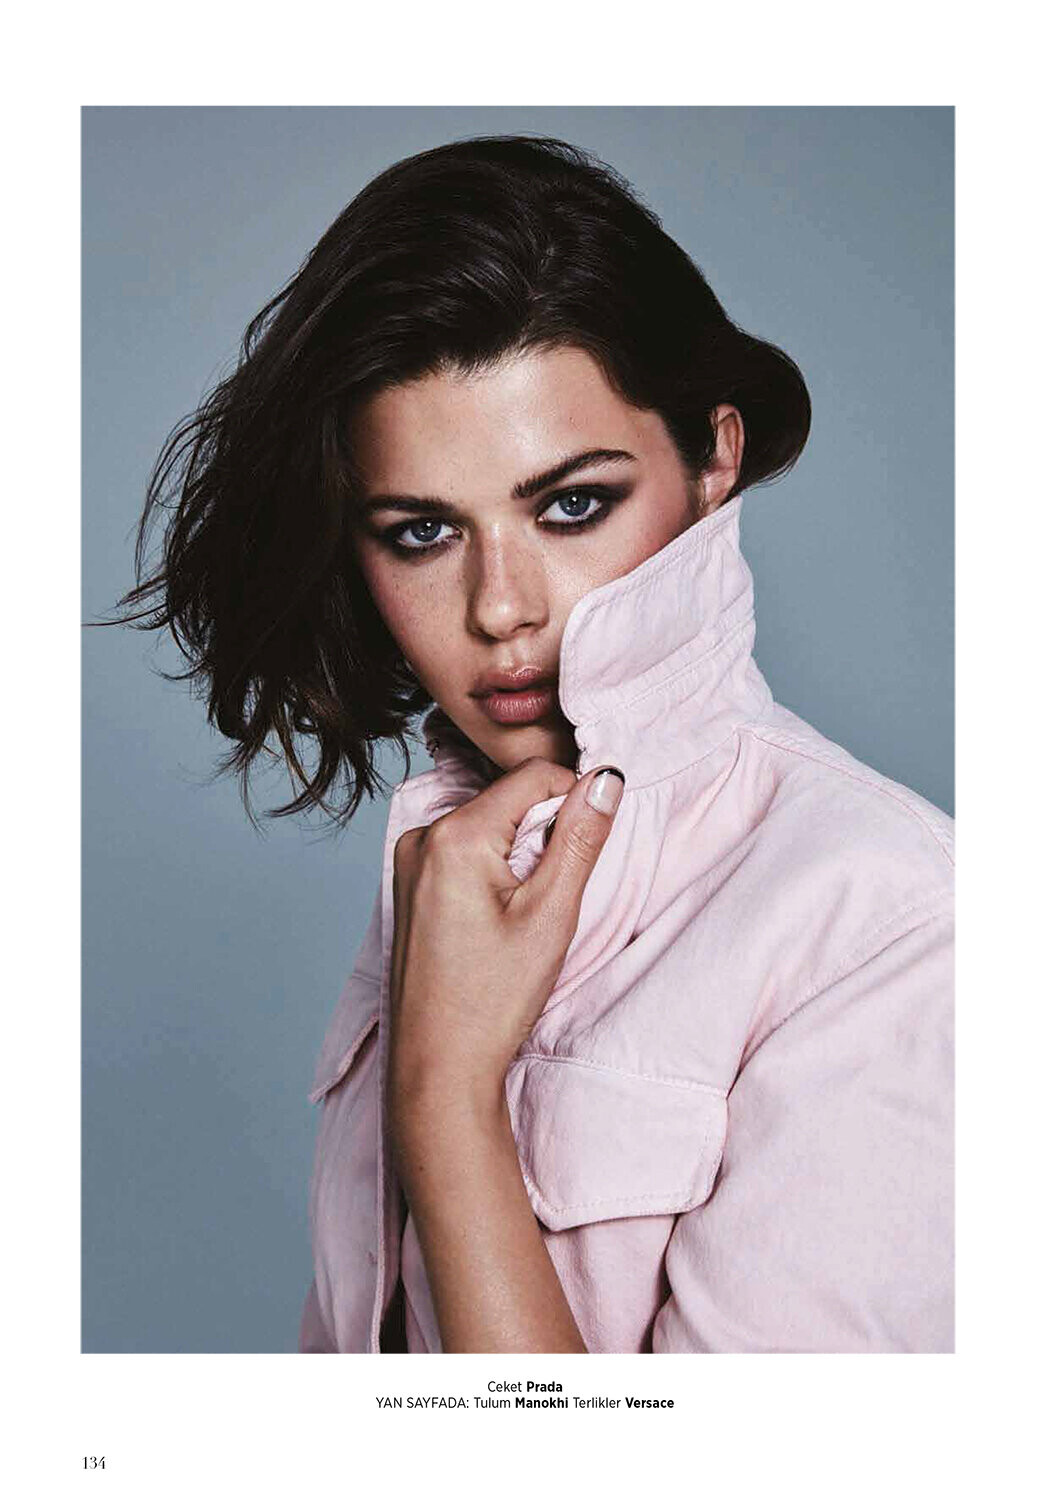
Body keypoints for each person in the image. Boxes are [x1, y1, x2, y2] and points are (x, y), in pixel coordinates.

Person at [117, 135, 954, 1353]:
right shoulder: (454, 866)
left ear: (714, 459)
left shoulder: (892, 929)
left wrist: (446, 1103)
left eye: (572, 505)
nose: (500, 610)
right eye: (420, 532)